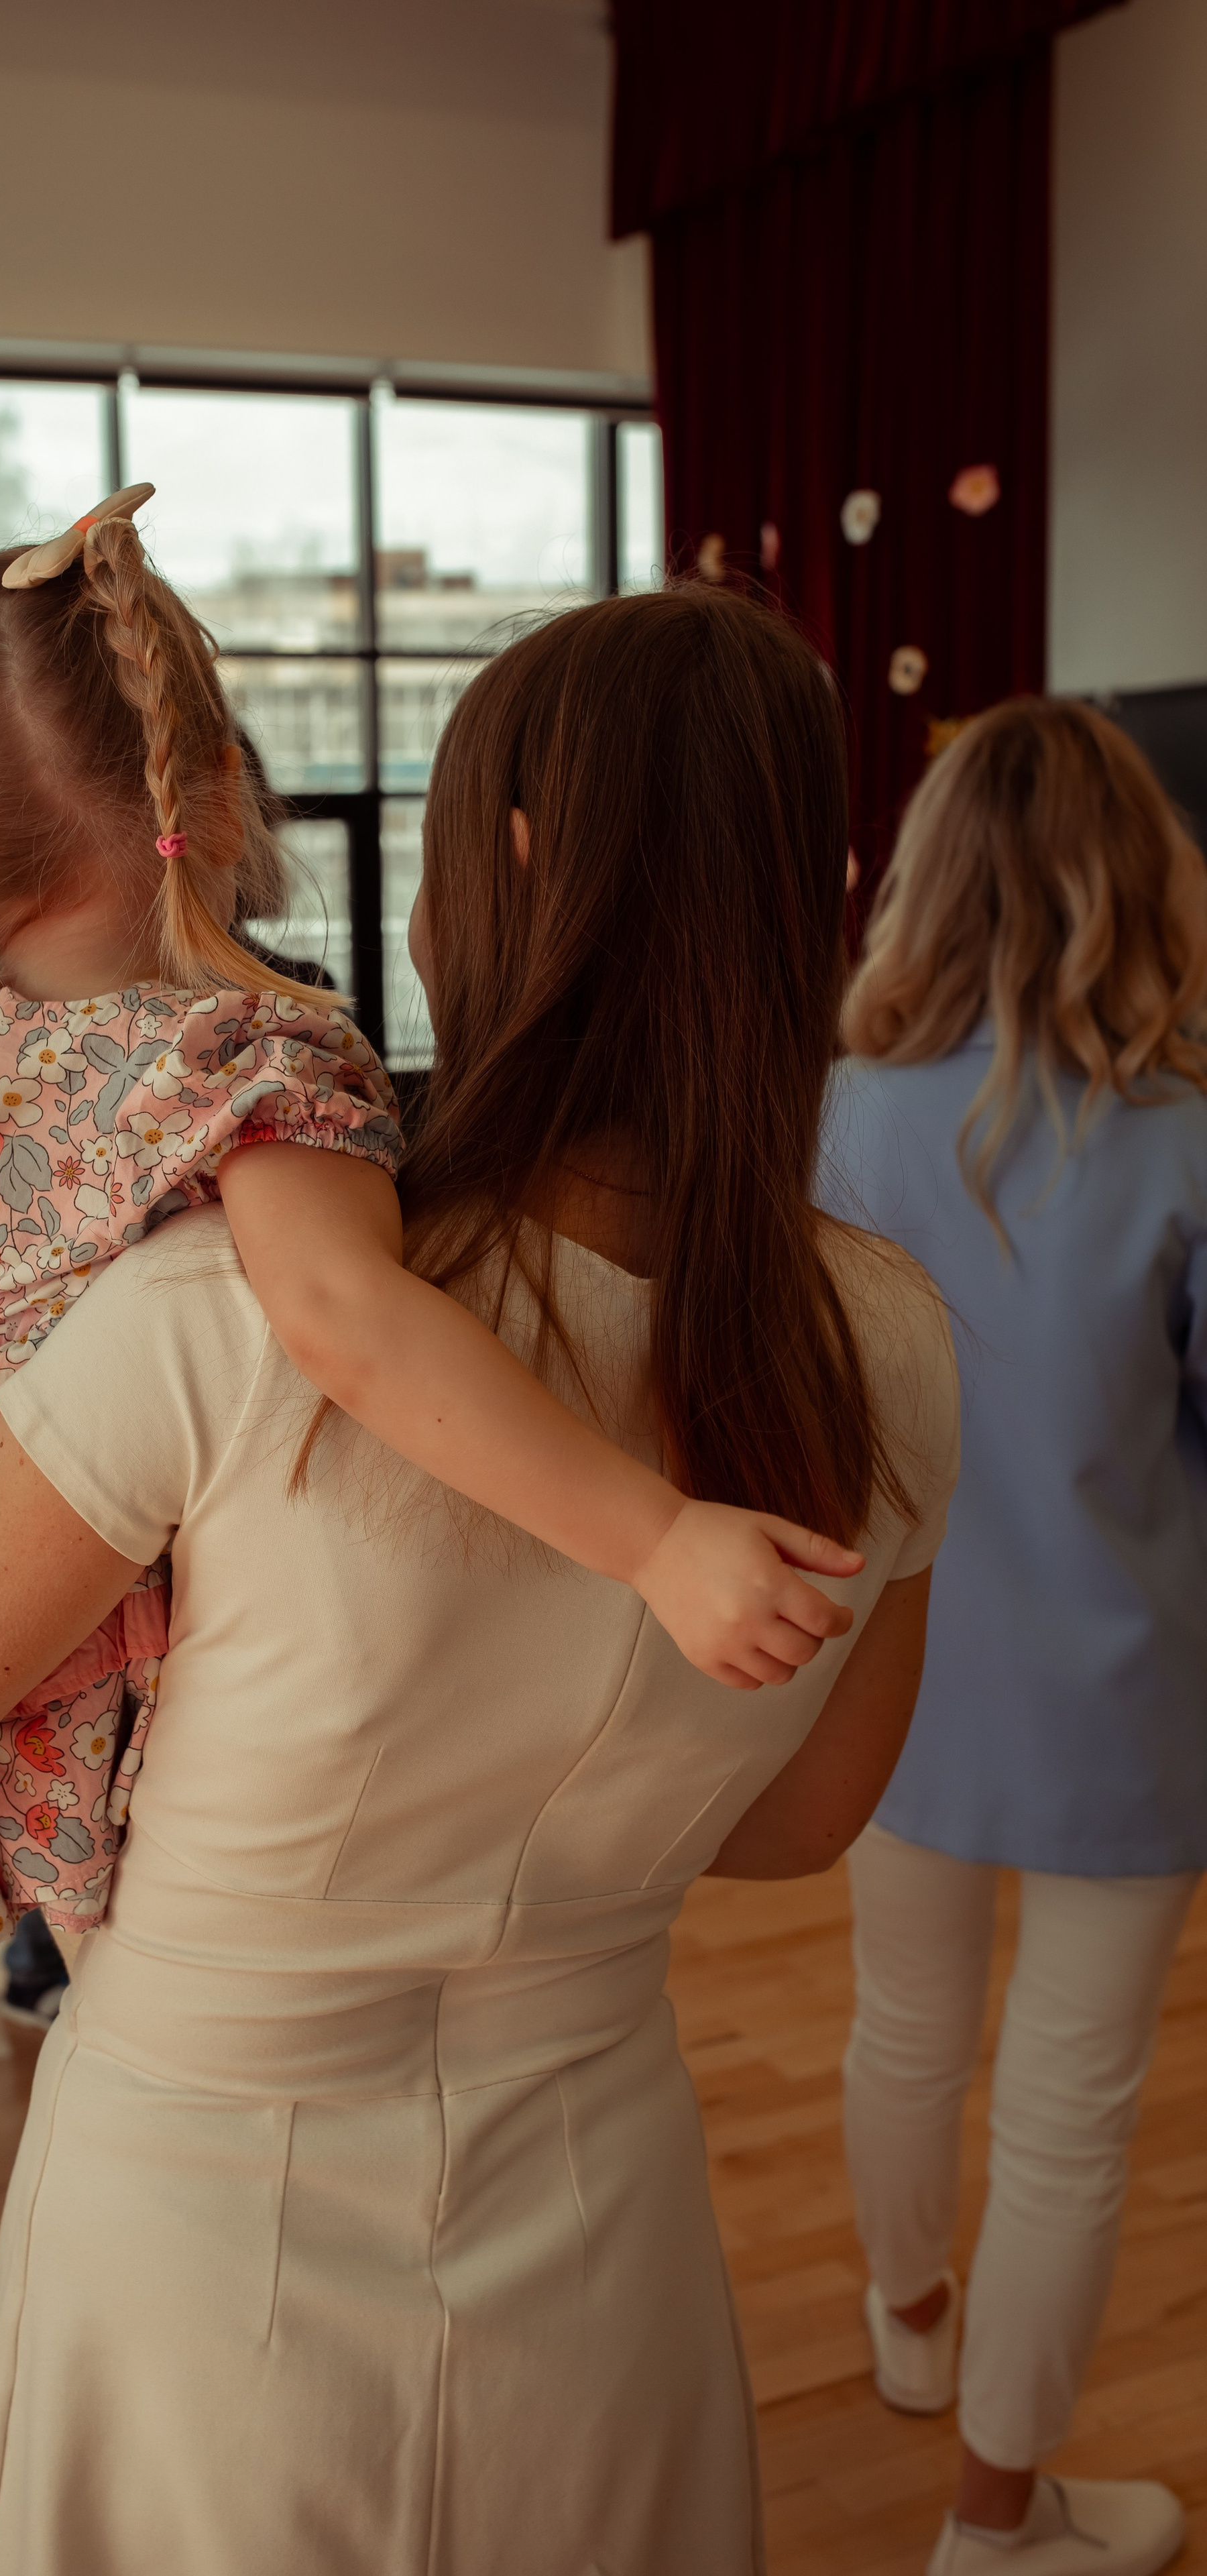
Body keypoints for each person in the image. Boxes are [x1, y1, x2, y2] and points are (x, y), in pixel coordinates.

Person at [0, 582, 962, 2574]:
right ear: (807, 884)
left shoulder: (213, 1310)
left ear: (491, 871)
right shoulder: (891, 1342)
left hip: (200, 2232)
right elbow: (805, 1813)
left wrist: (132, 1842)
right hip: (604, 2222)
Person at [0, 495, 866, 1957]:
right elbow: (346, 1320)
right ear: (214, 790)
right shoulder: (243, 1072)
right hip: (135, 1659)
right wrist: (658, 1539)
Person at [828, 698, 1206, 2576]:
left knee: (903, 2026)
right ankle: (998, 2524)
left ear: (931, 883)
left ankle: (911, 2331)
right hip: (1131, 1709)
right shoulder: (1186, 1141)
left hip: (890, 1689)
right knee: (1068, 2114)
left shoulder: (833, 1118)